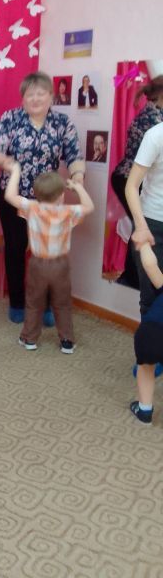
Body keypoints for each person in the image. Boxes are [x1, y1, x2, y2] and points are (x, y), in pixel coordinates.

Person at [0, 71, 85, 324]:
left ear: (51, 96)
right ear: (23, 98)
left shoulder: (62, 123)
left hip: (48, 197)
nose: (35, 99)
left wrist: (78, 176)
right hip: (13, 195)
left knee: (49, 253)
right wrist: (9, 163)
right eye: (29, 94)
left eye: (40, 93)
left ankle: (48, 306)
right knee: (16, 247)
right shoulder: (10, 119)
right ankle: (17, 303)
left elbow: (75, 156)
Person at [4, 163, 94, 352]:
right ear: (61, 195)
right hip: (60, 265)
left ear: (36, 194)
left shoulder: (32, 208)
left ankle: (29, 339)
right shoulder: (67, 212)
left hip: (38, 264)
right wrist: (78, 187)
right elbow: (89, 206)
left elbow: (9, 196)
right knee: (62, 304)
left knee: (34, 302)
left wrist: (16, 172)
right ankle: (67, 341)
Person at [111, 76, 163, 288]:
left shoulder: (150, 113)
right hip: (129, 178)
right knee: (142, 228)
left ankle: (130, 277)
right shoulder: (155, 120)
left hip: (127, 176)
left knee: (139, 226)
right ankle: (132, 278)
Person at [125, 122, 163, 317]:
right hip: (152, 224)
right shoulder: (155, 136)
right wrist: (141, 228)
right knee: (152, 299)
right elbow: (131, 186)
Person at [129, 243, 163, 424]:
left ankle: (144, 410)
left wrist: (143, 244)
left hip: (150, 334)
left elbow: (150, 265)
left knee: (146, 367)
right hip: (153, 333)